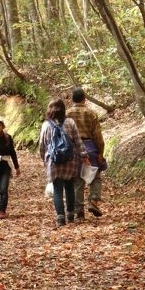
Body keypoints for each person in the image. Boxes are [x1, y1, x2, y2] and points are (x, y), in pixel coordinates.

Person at [39, 98, 88, 226]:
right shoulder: (70, 122)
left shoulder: (46, 125)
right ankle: (71, 215)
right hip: (70, 160)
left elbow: (42, 145)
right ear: (63, 109)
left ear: (50, 110)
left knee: (57, 189)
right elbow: (78, 141)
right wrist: (84, 155)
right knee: (69, 187)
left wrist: (45, 159)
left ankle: (61, 218)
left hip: (53, 161)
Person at [66, 87, 105, 219]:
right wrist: (101, 152)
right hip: (90, 148)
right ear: (84, 98)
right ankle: (93, 200)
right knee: (95, 177)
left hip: (73, 150)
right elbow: (97, 135)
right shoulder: (91, 113)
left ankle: (79, 211)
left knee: (78, 180)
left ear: (72, 99)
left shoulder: (67, 114)